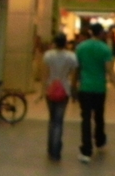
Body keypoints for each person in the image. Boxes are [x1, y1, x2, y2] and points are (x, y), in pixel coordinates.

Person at [74, 23, 115, 163]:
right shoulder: (105, 49)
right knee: (99, 116)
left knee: (86, 118)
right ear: (100, 33)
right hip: (100, 88)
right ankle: (100, 141)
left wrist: (73, 85)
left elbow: (77, 69)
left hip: (85, 87)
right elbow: (110, 71)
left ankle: (86, 150)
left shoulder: (81, 47)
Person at [38, 32, 78, 161]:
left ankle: (50, 148)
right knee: (59, 121)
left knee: (52, 119)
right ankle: (56, 150)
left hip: (50, 89)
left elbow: (44, 74)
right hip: (64, 89)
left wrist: (42, 91)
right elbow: (74, 75)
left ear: (54, 42)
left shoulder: (48, 55)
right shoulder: (71, 56)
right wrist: (73, 89)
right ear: (65, 43)